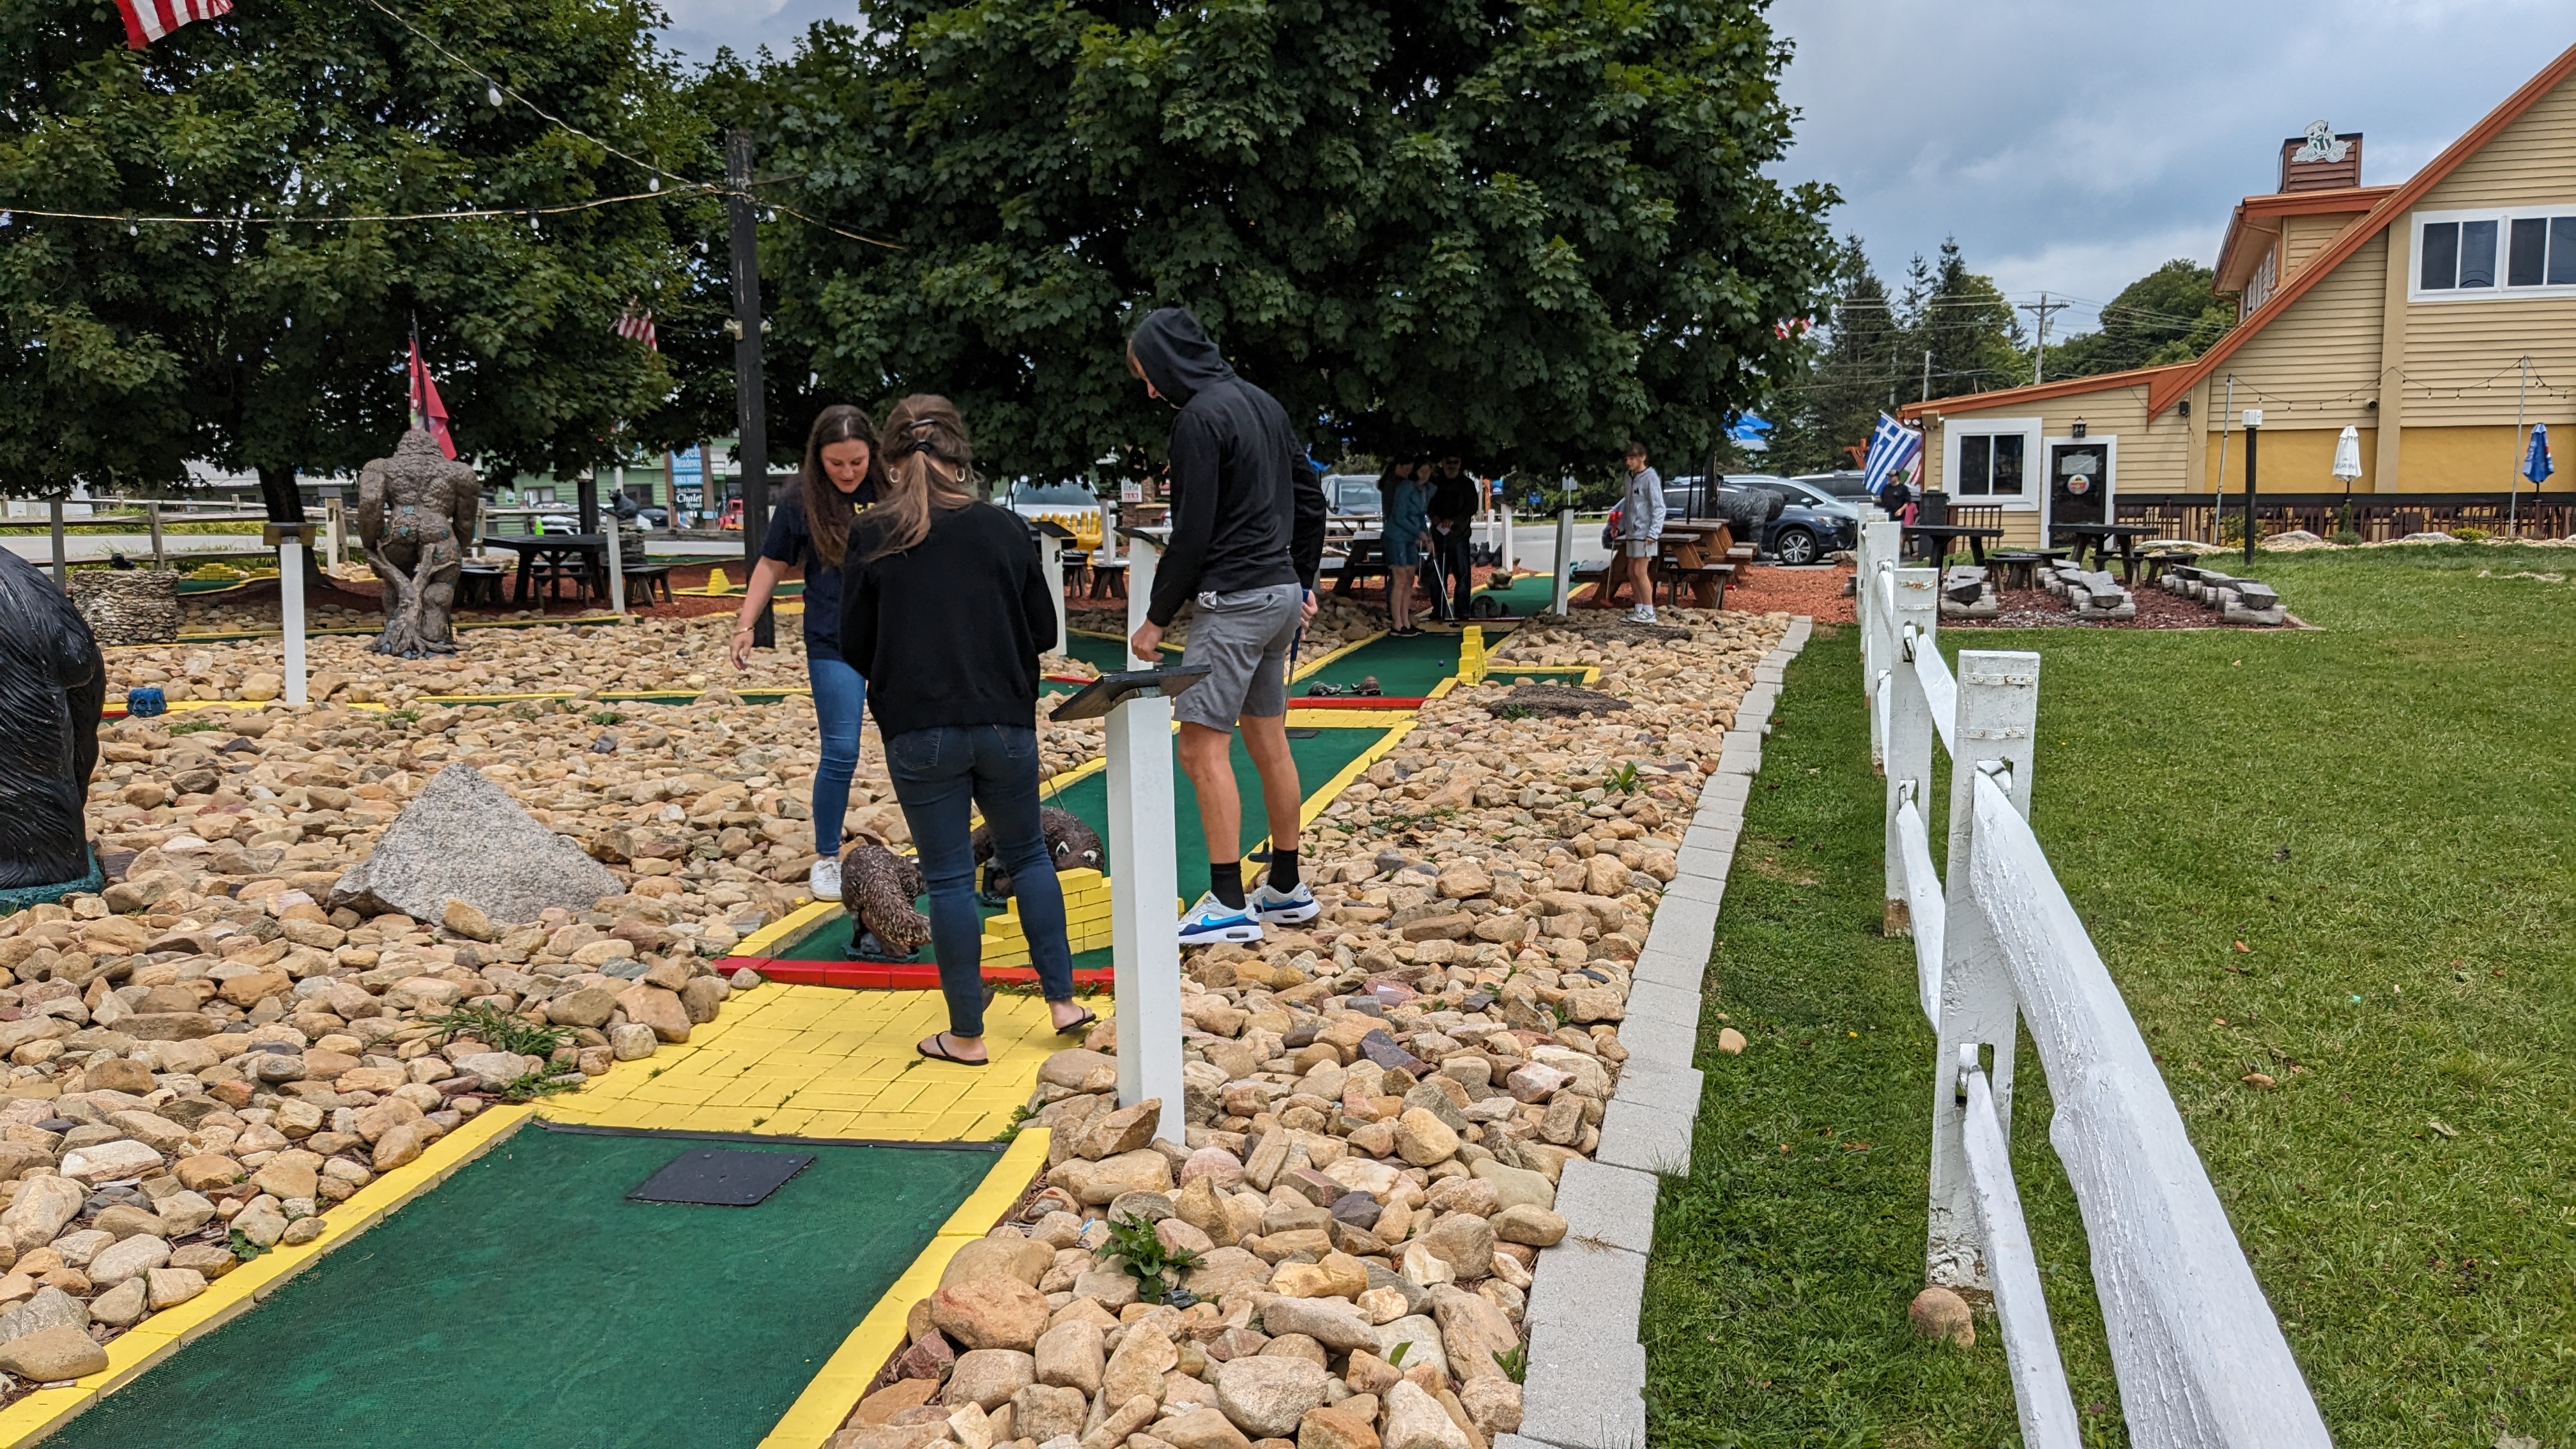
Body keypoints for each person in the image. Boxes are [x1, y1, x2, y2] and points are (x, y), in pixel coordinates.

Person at [839, 395, 1093, 1065]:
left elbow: (853, 641)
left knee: (950, 879)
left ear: (890, 461)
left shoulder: (874, 533)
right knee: (1029, 857)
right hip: (1004, 719)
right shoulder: (1004, 528)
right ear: (961, 457)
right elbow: (1044, 630)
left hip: (919, 729)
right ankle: (1063, 1002)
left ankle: (967, 1035)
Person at [1124, 306, 1327, 946]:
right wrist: (1302, 579)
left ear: (1168, 364)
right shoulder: (1264, 404)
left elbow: (1192, 534)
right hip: (1279, 596)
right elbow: (1311, 499)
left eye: (1148, 376)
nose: (1150, 391)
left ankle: (1228, 904)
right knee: (1269, 741)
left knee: (1200, 748)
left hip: (1234, 602)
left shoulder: (1197, 420)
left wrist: (1155, 620)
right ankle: (1287, 888)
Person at [733, 405, 878, 901]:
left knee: (915, 742)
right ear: (818, 459)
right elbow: (772, 563)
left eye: (856, 462)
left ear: (872, 455)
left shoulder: (892, 489)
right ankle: (827, 857)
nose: (847, 473)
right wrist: (746, 624)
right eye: (836, 463)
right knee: (841, 749)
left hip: (892, 636)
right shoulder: (800, 498)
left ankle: (933, 843)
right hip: (832, 637)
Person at [1617, 442, 1667, 624]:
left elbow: (1659, 507)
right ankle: (1639, 609)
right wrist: (1620, 526)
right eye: (1626, 459)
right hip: (1632, 532)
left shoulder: (1650, 478)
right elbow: (1628, 504)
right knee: (1631, 571)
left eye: (1632, 458)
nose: (1628, 462)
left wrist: (1654, 532)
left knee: (1640, 571)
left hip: (1645, 533)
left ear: (1642, 458)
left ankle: (1649, 611)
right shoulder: (1628, 477)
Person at [1425, 454, 1477, 623]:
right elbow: (1429, 505)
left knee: (1463, 576)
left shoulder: (1467, 484)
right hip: (1438, 537)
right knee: (1437, 576)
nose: (1452, 465)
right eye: (1449, 462)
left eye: (1456, 462)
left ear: (1460, 464)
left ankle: (1462, 611)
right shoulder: (1435, 483)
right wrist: (1435, 518)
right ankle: (1438, 611)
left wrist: (1453, 521)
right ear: (1443, 463)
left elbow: (1471, 508)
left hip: (1459, 537)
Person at [1379, 459, 1428, 635]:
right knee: (1399, 579)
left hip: (1408, 537)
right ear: (1397, 467)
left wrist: (1423, 533)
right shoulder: (1393, 485)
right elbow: (1398, 516)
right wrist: (1418, 532)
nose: (1408, 472)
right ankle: (1397, 624)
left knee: (1408, 579)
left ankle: (1405, 621)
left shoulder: (1409, 486)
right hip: (1396, 536)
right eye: (1405, 468)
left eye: (1410, 469)